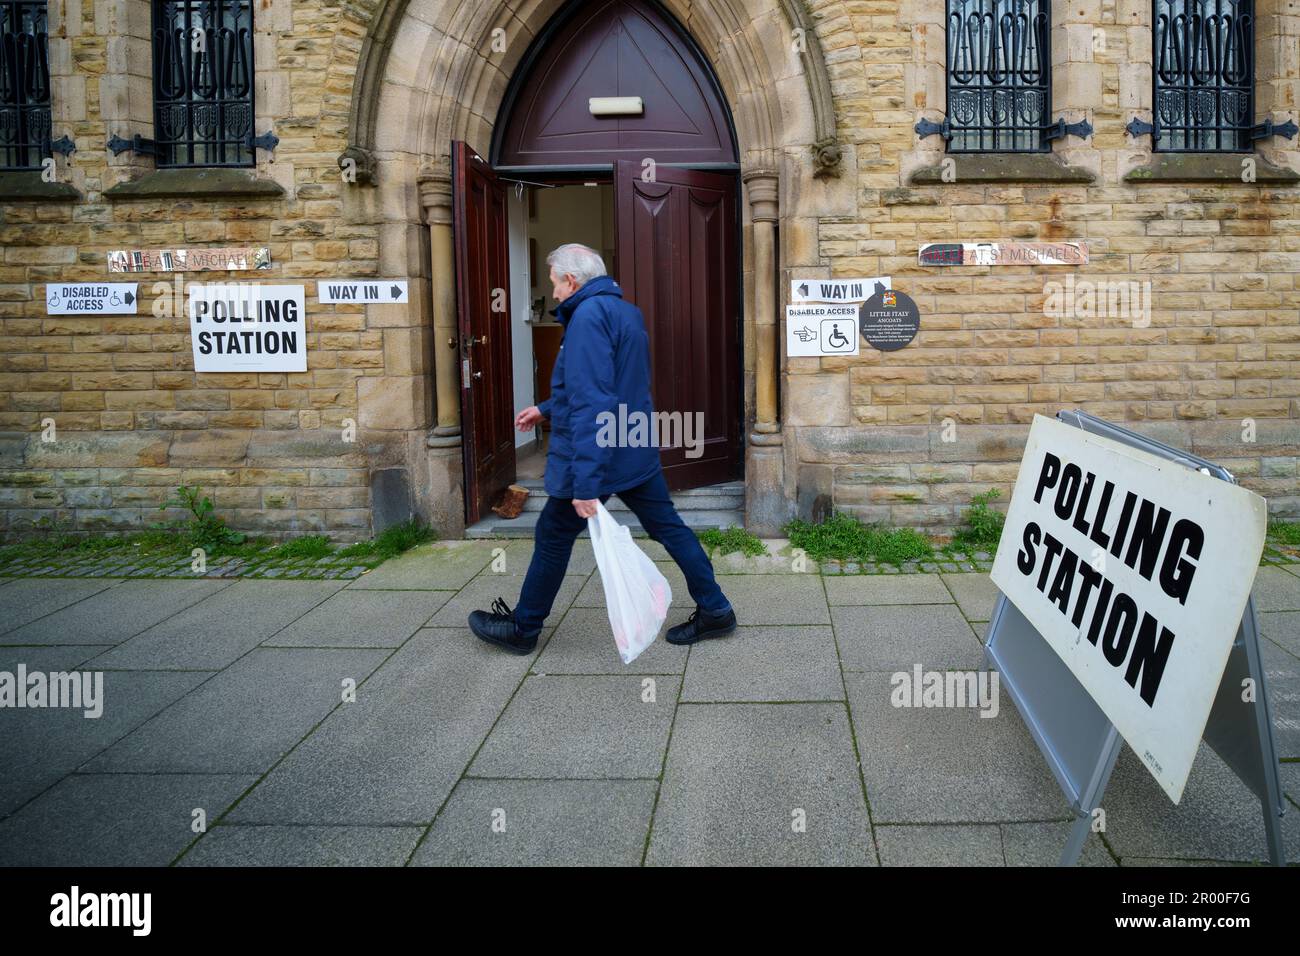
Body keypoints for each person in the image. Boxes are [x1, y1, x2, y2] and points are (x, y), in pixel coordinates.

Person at [468, 242, 736, 654]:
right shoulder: (624, 311)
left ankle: (524, 629)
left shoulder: (588, 318)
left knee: (553, 535)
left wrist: (587, 485)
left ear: (572, 281)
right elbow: (608, 384)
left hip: (600, 456)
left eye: (555, 283)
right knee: (669, 527)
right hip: (633, 444)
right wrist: (545, 408)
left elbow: (595, 402)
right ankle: (716, 609)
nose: (554, 292)